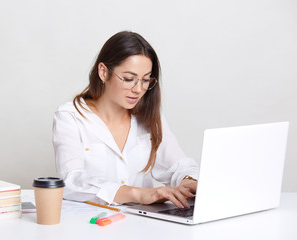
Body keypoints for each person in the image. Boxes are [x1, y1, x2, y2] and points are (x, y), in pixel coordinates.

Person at [53, 31, 199, 209]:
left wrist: (189, 181)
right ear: (103, 72)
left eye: (145, 80)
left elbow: (179, 165)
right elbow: (71, 181)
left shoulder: (149, 115)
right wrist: (139, 193)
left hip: (144, 224)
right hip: (93, 225)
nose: (138, 89)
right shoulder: (71, 116)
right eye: (129, 79)